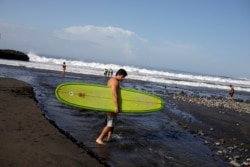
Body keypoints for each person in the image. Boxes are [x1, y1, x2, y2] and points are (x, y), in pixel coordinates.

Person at [96, 69, 128, 144]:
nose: (123, 79)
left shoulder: (112, 80)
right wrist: (116, 106)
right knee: (110, 124)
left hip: (110, 104)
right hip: (112, 105)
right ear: (119, 75)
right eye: (123, 77)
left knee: (112, 123)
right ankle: (99, 139)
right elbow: (114, 95)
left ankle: (109, 138)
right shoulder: (115, 82)